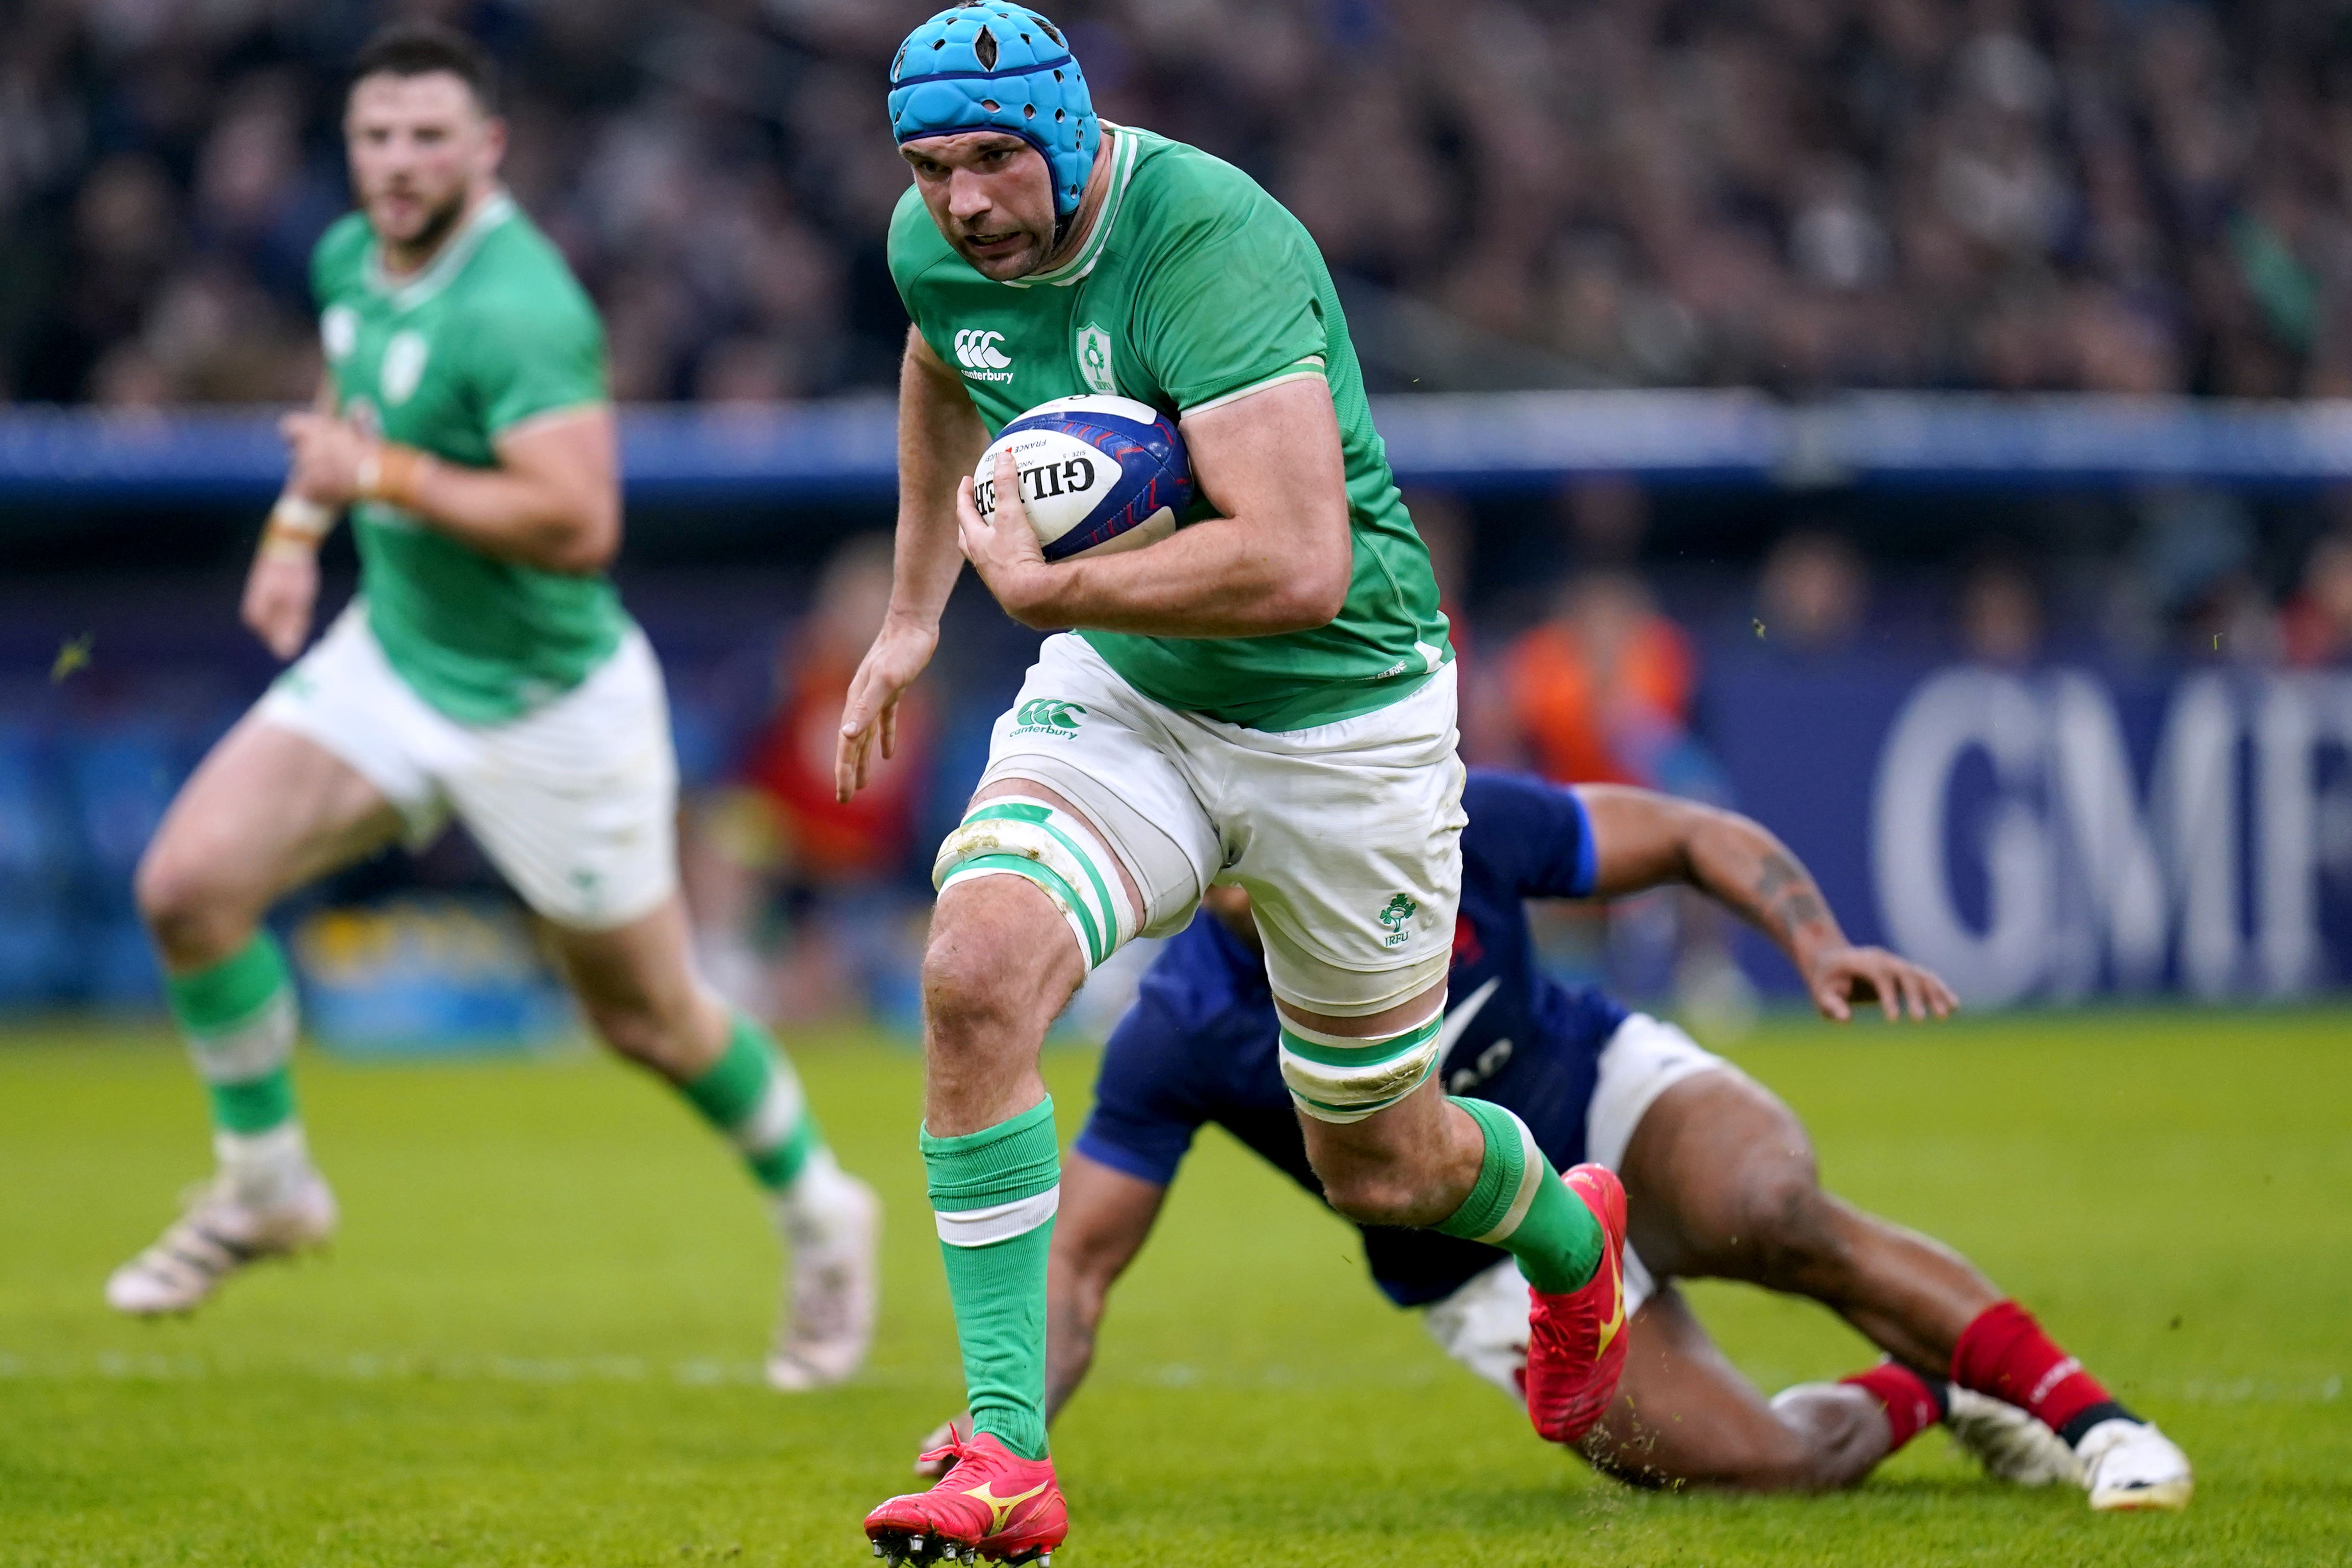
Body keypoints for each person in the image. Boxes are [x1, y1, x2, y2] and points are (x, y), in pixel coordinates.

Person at [839, 8, 1627, 1561]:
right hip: (1129, 694)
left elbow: (1297, 560)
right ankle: (1004, 1450)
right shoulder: (935, 248)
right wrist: (913, 612)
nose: (965, 202)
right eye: (931, 169)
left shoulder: (1211, 241)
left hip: (1343, 721)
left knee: (1379, 1159)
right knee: (978, 968)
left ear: (1070, 130)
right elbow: (942, 359)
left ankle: (1566, 1230)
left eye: (996, 158)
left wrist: (1050, 600)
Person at [108, 23, 879, 1394]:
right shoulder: (353, 255)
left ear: (488, 149)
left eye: (425, 138)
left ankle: (822, 1207)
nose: (397, 164)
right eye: (375, 137)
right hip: (394, 661)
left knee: (648, 1021)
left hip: (547, 708)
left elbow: (579, 521)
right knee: (187, 883)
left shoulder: (521, 305)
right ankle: (267, 1181)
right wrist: (297, 531)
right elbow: (347, 397)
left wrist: (380, 479)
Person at [917, 771, 2191, 1512]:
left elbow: (1689, 835)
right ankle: (1935, 1382)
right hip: (1477, 1258)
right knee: (1775, 1469)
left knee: (1776, 1202)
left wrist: (1813, 938)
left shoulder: (1440, 825)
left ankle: (2100, 1422)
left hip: (1604, 1100)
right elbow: (1077, 1267)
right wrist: (1005, 1425)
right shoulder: (1181, 1031)